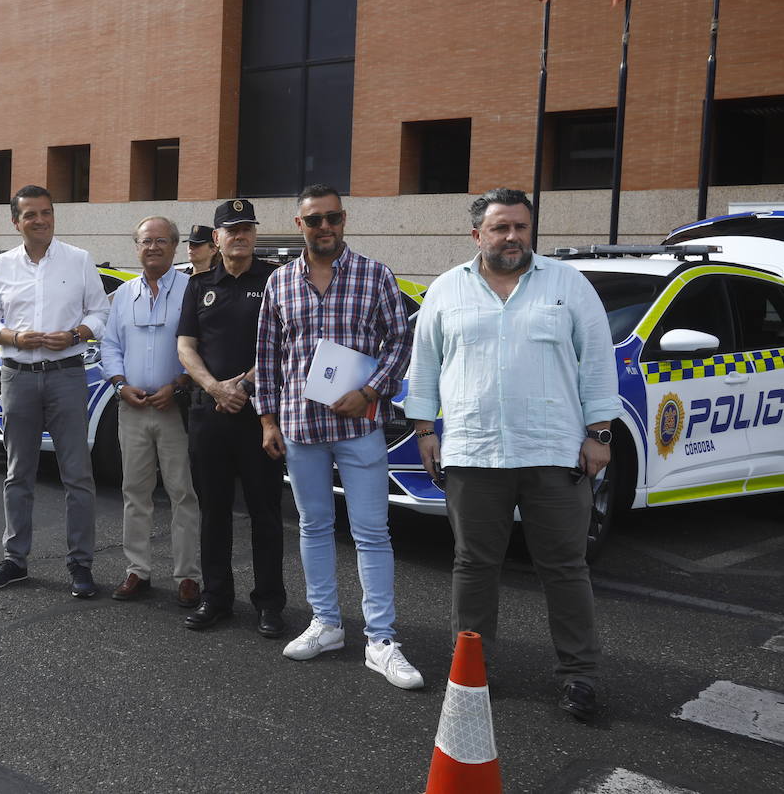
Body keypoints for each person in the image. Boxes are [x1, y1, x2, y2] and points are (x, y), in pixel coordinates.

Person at [406, 187, 619, 721]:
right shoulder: (447, 289)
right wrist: (425, 431)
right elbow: (424, 364)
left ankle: (579, 676)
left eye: (521, 227)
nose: (512, 237)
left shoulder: (569, 286)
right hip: (474, 454)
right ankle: (471, 672)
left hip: (553, 451)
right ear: (477, 234)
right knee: (474, 566)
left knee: (565, 568)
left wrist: (601, 434)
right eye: (501, 228)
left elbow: (597, 361)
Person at [255, 185, 423, 689]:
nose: (323, 227)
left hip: (358, 425)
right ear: (299, 224)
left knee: (372, 532)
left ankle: (381, 639)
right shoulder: (280, 282)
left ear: (343, 220)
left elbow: (400, 339)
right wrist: (267, 420)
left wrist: (371, 390)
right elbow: (266, 357)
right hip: (302, 427)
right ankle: (325, 624)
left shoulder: (375, 275)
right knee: (313, 526)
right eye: (313, 220)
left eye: (331, 218)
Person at [0, 185, 110, 598]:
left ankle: (80, 565)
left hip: (67, 376)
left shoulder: (79, 260)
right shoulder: (1, 266)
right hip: (18, 376)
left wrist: (76, 333)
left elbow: (100, 312)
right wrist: (15, 337)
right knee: (18, 474)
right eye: (30, 214)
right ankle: (15, 560)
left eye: (46, 212)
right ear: (15, 222)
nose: (41, 220)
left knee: (77, 475)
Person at [176, 199, 286, 637]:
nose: (239, 236)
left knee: (265, 513)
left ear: (255, 234)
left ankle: (269, 603)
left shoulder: (276, 280)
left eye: (247, 228)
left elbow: (284, 344)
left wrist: (242, 387)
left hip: (261, 414)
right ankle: (216, 597)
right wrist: (214, 387)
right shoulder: (199, 283)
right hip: (209, 414)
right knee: (214, 511)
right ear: (216, 237)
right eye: (231, 229)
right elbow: (186, 346)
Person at [100, 216, 201, 608]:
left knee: (183, 493)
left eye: (161, 241)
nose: (153, 247)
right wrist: (119, 384)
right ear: (136, 247)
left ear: (175, 246)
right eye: (145, 241)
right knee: (135, 492)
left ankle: (188, 575)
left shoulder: (192, 290)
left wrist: (179, 384)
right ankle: (137, 570)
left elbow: (202, 346)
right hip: (133, 407)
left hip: (176, 407)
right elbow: (110, 345)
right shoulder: (124, 294)